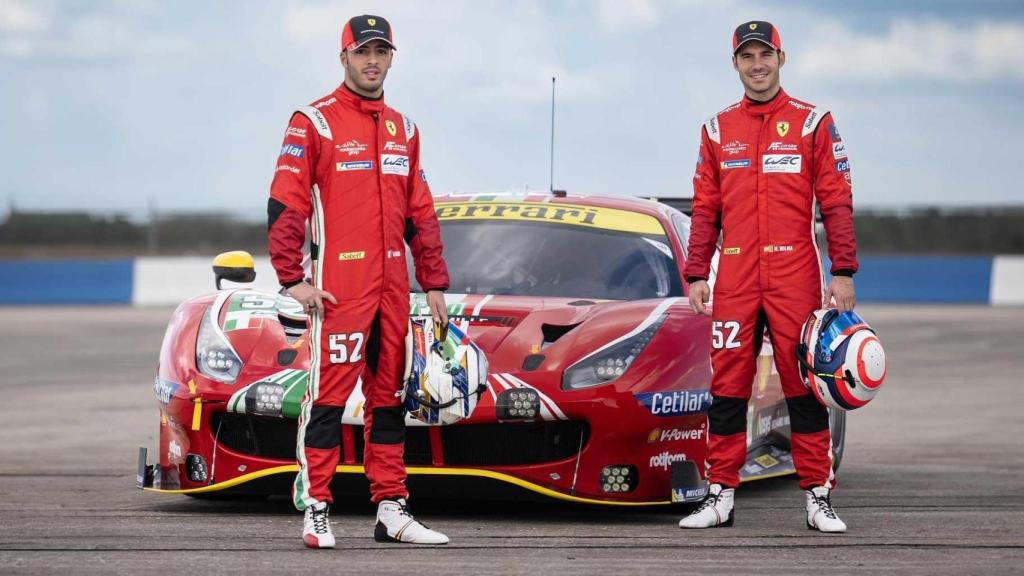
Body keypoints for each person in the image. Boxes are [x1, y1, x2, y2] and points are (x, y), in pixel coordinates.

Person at [267, 14, 451, 548]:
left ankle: (391, 509)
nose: (372, 61)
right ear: (343, 57)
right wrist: (291, 278)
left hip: (394, 288)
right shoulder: (313, 122)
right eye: (362, 51)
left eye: (382, 51)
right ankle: (317, 508)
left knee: (388, 401)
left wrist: (434, 280)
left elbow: (422, 213)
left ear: (392, 58)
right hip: (338, 288)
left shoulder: (404, 128)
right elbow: (285, 203)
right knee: (326, 401)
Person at [679, 21, 858, 533]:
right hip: (734, 275)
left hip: (795, 276)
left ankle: (818, 497)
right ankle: (720, 496)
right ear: (734, 64)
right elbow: (705, 208)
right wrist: (696, 273)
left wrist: (842, 269)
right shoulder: (716, 129)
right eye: (747, 56)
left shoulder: (812, 122)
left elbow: (837, 201)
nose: (757, 65)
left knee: (804, 388)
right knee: (727, 389)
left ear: (783, 58)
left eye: (766, 55)